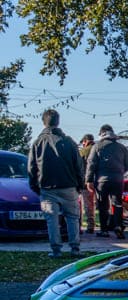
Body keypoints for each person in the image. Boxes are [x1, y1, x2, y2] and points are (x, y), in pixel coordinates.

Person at [28, 109, 84, 257]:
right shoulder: (69, 142)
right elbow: (78, 165)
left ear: (43, 122)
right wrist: (80, 184)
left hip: (47, 187)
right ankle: (75, 248)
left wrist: (35, 186)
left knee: (51, 220)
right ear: (58, 122)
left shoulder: (37, 142)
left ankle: (56, 250)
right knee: (72, 218)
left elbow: (32, 167)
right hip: (69, 185)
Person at [86, 124, 128, 239]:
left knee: (103, 205)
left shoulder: (97, 146)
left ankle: (104, 230)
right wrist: (120, 172)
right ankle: (118, 226)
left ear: (102, 133)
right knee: (117, 203)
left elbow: (91, 164)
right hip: (118, 180)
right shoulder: (122, 147)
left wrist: (89, 180)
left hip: (102, 181)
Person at [77, 133, 96, 234]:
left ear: (85, 141)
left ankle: (90, 226)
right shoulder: (99, 149)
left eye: (83, 143)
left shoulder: (84, 151)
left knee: (87, 205)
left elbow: (79, 167)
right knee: (103, 205)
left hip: (86, 182)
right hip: (100, 181)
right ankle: (106, 227)